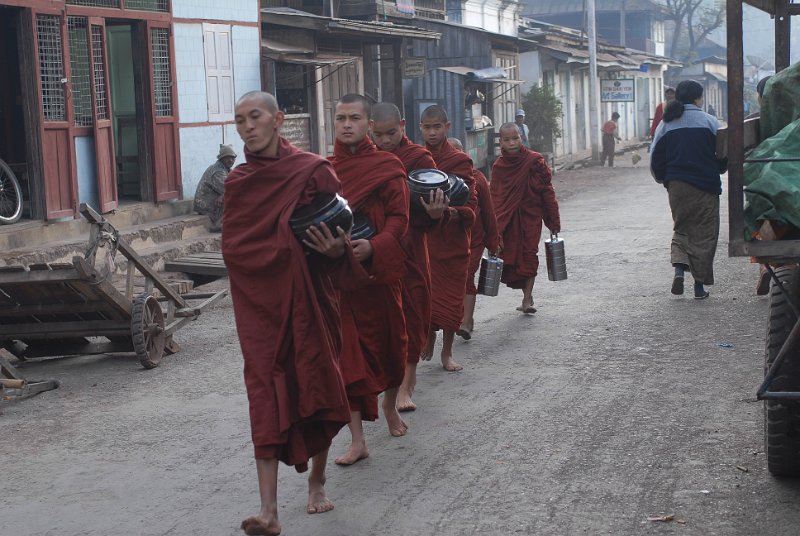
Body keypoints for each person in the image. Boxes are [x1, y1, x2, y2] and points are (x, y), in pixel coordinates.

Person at [222, 91, 351, 536]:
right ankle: (269, 511)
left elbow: (339, 234)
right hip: (261, 305)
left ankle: (316, 482)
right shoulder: (238, 182)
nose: (246, 127)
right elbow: (235, 247)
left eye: (254, 117)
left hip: (313, 298)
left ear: (277, 119)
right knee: (263, 392)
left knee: (316, 381)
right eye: (239, 121)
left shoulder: (312, 171)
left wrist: (336, 252)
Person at [328, 94, 411, 464]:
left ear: (369, 125)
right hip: (342, 277)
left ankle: (391, 406)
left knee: (393, 347)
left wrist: (374, 246)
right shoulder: (324, 171)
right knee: (348, 358)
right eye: (341, 118)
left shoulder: (386, 165)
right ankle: (357, 439)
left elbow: (400, 218)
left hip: (379, 271)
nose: (347, 125)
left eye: (355, 118)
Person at [371, 102, 448, 412]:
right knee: (381, 319)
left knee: (412, 312)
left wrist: (434, 214)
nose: (386, 140)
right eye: (379, 135)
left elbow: (432, 209)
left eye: (392, 133)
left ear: (402, 126)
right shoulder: (366, 160)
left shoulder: (418, 158)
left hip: (410, 246)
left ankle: (407, 385)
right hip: (376, 249)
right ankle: (387, 380)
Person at [650, 79, 728, 300]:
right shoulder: (710, 122)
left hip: (677, 186)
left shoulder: (666, 124)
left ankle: (678, 271)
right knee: (704, 234)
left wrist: (665, 180)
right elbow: (723, 154)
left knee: (681, 228)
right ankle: (699, 286)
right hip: (705, 186)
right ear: (698, 98)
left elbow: (656, 158)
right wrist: (719, 169)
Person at [420, 105, 478, 372]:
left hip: (453, 240)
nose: (432, 133)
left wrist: (451, 212)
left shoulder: (460, 161)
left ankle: (447, 352)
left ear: (447, 126)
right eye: (427, 127)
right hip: (426, 240)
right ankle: (429, 338)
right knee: (426, 296)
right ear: (420, 128)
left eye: (437, 127)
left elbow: (472, 204)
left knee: (452, 300)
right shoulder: (416, 160)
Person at [491, 123, 561, 314]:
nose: (512, 143)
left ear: (521, 137)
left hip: (530, 216)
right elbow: (495, 197)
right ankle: (526, 295)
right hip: (509, 220)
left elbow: (547, 192)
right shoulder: (499, 167)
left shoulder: (534, 161)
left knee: (529, 254)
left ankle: (527, 298)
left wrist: (553, 221)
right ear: (501, 142)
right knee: (511, 257)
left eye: (515, 138)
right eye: (507, 140)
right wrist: (494, 227)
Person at [448, 137, 500, 340]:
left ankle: (466, 322)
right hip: (448, 240)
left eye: (457, 152)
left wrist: (493, 242)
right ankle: (452, 317)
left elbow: (488, 212)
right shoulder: (439, 179)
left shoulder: (476, 178)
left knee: (467, 277)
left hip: (474, 239)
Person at [194, 144, 236, 232]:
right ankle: (218, 224)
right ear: (221, 159)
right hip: (203, 203)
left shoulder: (226, 169)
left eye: (233, 158)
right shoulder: (218, 171)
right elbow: (231, 190)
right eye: (227, 158)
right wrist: (224, 194)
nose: (231, 160)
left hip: (211, 198)